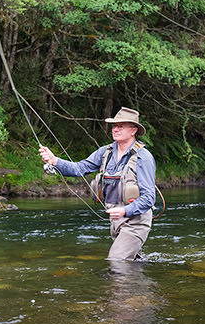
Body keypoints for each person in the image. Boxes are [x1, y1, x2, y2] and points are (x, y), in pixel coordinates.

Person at [39, 107, 156, 261]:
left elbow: (149, 198)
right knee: (131, 264)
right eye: (114, 126)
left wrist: (125, 211)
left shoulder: (143, 157)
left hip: (136, 221)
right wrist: (55, 161)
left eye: (121, 126)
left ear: (133, 130)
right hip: (115, 221)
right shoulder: (105, 152)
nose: (116, 129)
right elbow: (79, 169)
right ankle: (137, 284)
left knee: (117, 261)